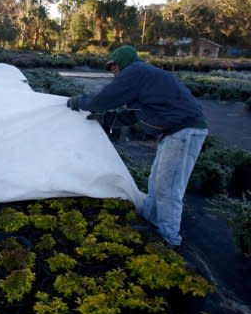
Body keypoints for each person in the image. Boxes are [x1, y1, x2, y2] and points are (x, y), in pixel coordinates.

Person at [67, 45, 208, 247]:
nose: (113, 71)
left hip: (185, 130)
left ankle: (169, 239)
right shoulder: (144, 79)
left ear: (123, 61)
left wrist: (81, 102)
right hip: (175, 131)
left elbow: (106, 97)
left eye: (114, 66)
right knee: (156, 182)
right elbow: (133, 113)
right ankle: (151, 223)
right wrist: (106, 119)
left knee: (168, 188)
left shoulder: (135, 72)